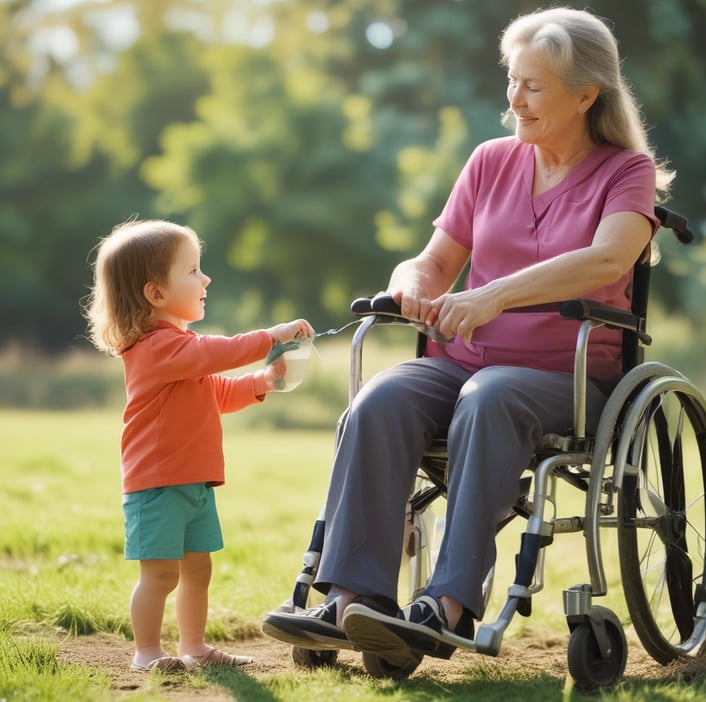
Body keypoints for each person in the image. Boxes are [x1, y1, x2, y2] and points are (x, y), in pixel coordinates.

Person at [262, 6, 674, 666]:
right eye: (512, 80)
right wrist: (414, 282)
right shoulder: (489, 162)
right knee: (380, 399)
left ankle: (445, 605)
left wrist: (492, 296)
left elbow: (608, 258)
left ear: (585, 93)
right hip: (463, 365)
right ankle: (352, 603)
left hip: (570, 381)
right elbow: (432, 260)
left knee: (490, 395)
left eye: (533, 85)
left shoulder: (626, 171)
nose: (514, 97)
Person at [83, 219, 314, 672]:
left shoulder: (180, 349)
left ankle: (194, 647)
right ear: (155, 294)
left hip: (192, 482)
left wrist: (263, 381)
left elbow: (216, 393)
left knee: (197, 570)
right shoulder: (154, 348)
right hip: (158, 483)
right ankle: (147, 652)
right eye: (192, 271)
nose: (205, 279)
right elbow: (216, 354)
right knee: (161, 574)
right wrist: (271, 337)